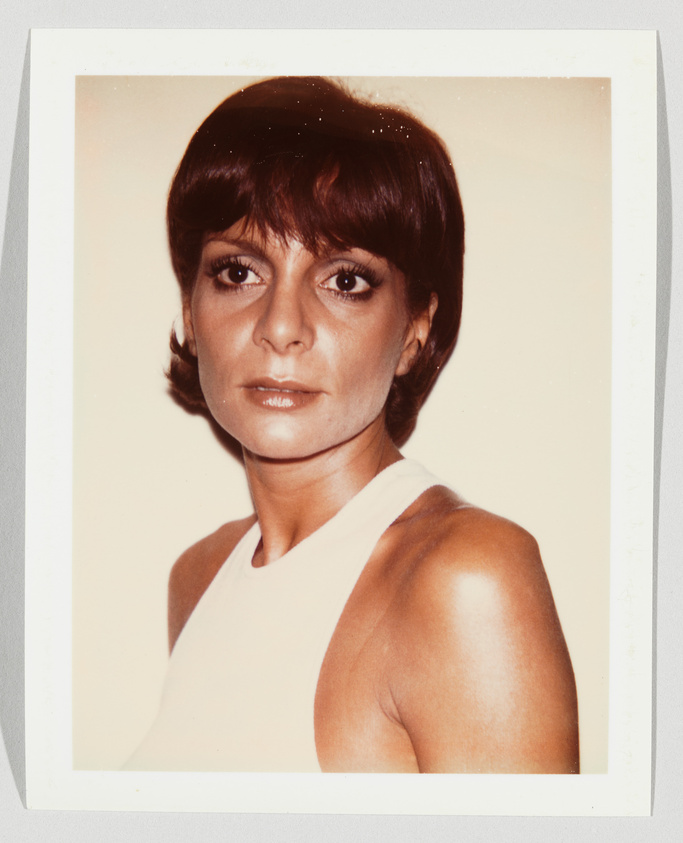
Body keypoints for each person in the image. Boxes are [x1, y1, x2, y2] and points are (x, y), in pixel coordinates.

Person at [125, 76, 579, 774]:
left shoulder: (463, 578)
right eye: (239, 271)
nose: (281, 327)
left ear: (415, 330)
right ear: (190, 307)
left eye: (344, 280)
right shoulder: (197, 577)